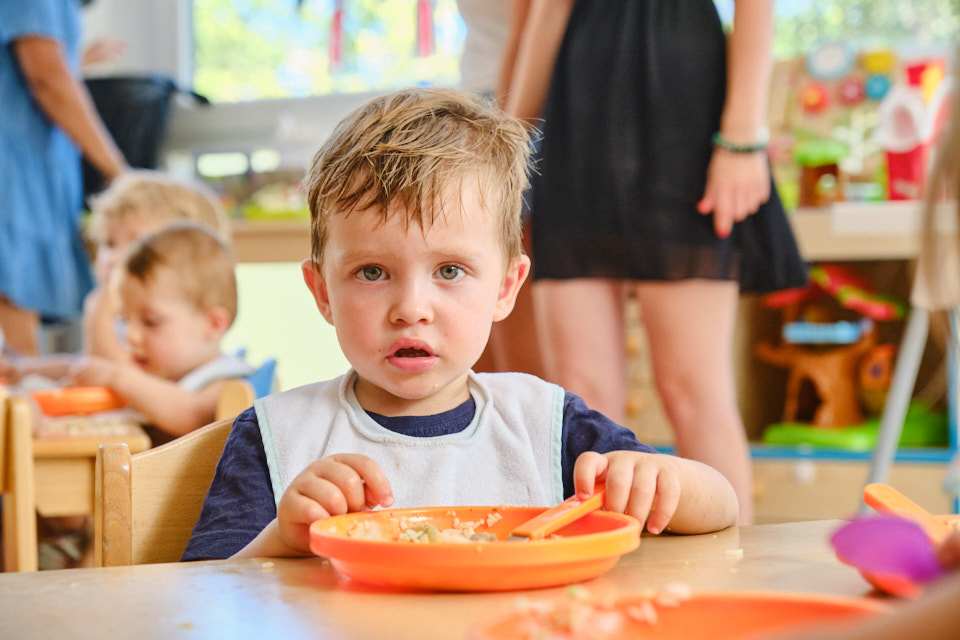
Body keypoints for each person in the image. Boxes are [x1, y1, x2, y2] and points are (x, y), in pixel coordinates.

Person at [181, 89, 738, 561]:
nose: (411, 308)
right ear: (323, 291)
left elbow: (722, 506)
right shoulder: (276, 434)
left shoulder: (544, 423)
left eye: (449, 271)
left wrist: (661, 481)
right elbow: (203, 592)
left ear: (505, 287)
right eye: (372, 272)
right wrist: (282, 540)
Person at [504, 0, 808, 524]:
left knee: (693, 390)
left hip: (684, 114)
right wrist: (507, 148)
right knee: (582, 394)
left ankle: (732, 565)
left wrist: (742, 137)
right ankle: (601, 563)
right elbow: (547, 11)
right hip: (577, 121)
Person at [0, 171, 231, 382]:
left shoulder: (162, 318)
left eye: (137, 245)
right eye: (110, 243)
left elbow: (122, 375)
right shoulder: (123, 311)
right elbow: (85, 365)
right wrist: (22, 369)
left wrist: (98, 316)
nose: (113, 258)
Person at [0, 0, 126, 355]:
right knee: (17, 344)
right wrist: (119, 172)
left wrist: (74, 62)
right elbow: (47, 77)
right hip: (13, 180)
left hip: (28, 178)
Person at [68, 223, 253, 440]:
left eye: (150, 322)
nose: (131, 335)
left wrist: (117, 377)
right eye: (124, 320)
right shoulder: (159, 373)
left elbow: (191, 414)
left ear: (213, 324)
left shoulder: (226, 381)